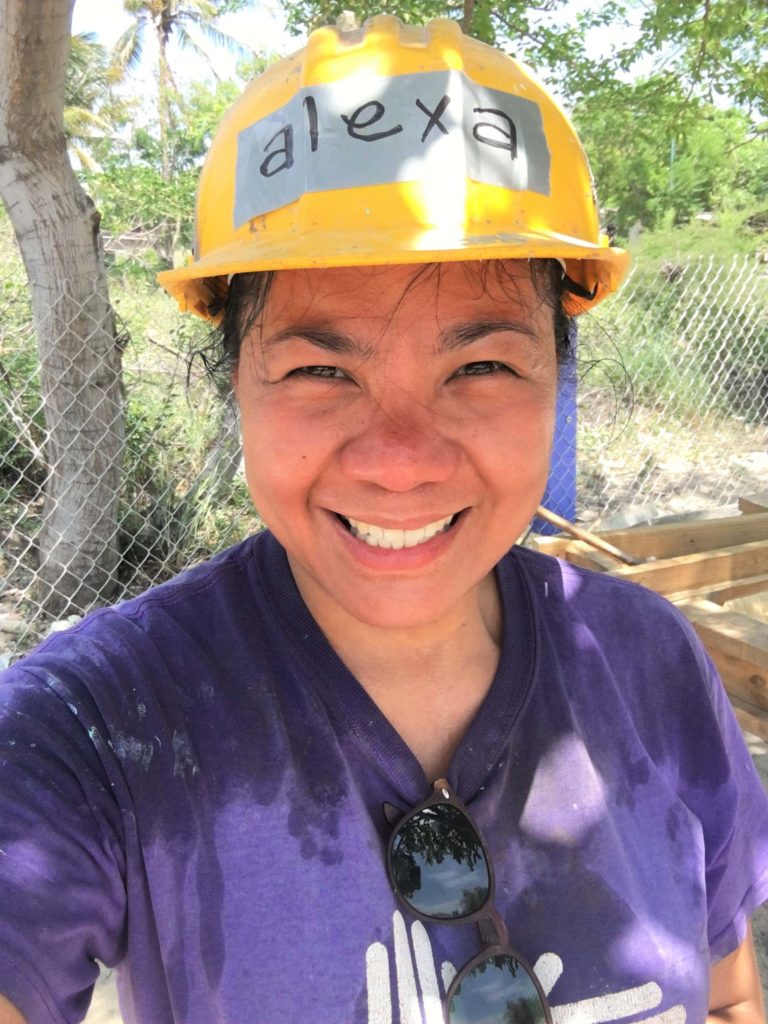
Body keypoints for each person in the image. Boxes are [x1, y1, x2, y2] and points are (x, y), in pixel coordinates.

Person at [0, 14, 767, 1024]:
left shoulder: (652, 668)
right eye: (321, 370)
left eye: (480, 366)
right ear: (235, 381)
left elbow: (728, 996)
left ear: (558, 382)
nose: (401, 459)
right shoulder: (90, 731)